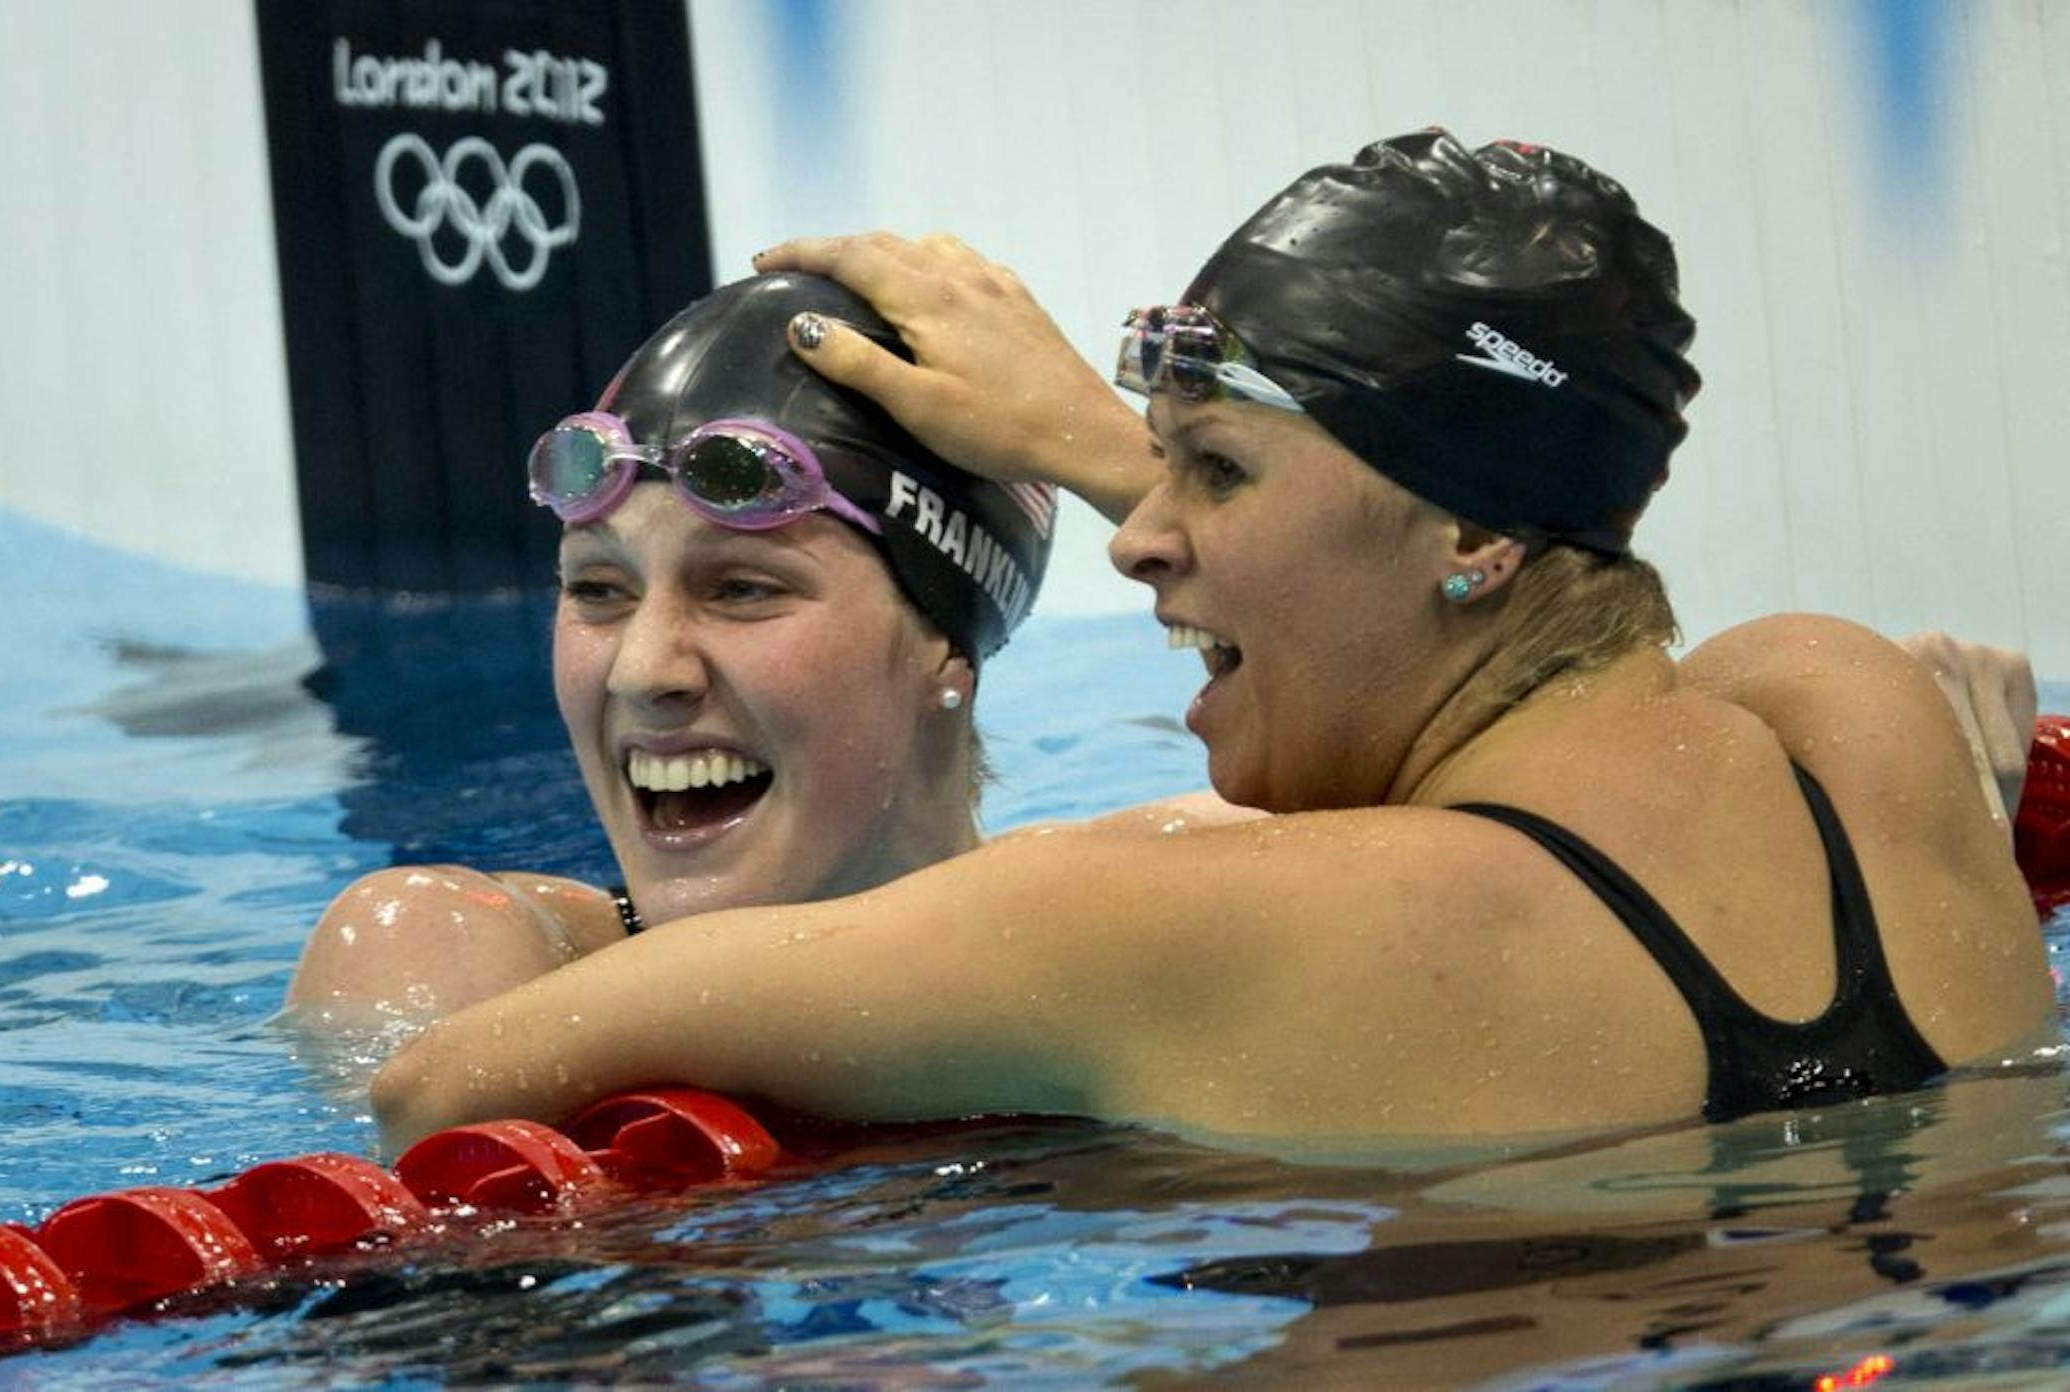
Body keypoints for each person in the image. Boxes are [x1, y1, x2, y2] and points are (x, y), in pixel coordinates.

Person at [371, 131, 2051, 1152]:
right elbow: (1560, 654)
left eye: (1213, 472)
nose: (1141, 529)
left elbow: (446, 1084)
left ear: (1471, 537)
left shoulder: (1194, 918)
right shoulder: (1851, 716)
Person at [284, 273, 1054, 1026]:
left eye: (742, 589)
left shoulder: (1093, 968)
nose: (642, 672)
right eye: (597, 590)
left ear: (943, 644)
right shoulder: (461, 964)